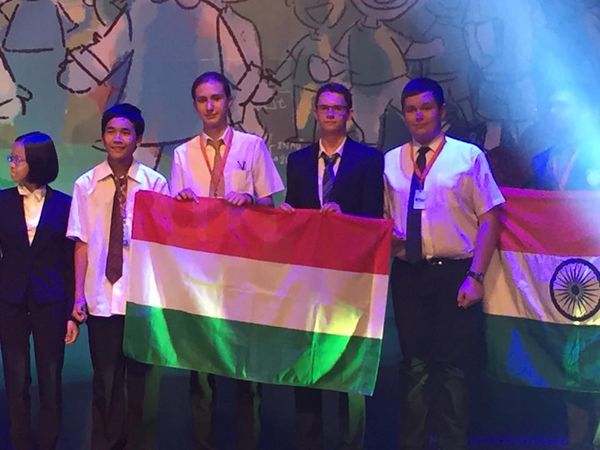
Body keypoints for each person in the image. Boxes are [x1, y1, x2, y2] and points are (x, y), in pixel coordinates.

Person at [383, 78, 504, 449]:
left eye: (426, 108)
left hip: (455, 273)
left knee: (452, 367)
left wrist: (476, 276)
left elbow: (490, 218)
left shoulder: (468, 157)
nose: (418, 116)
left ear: (441, 111)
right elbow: (384, 218)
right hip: (408, 273)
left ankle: (452, 442)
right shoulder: (390, 161)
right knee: (414, 365)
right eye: (411, 110)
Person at [170, 71, 284, 450]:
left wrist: (250, 200)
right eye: (203, 100)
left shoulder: (252, 146)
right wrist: (181, 203)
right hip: (201, 276)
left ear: (229, 101)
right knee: (201, 371)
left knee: (245, 370)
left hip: (243, 272)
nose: (210, 106)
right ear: (195, 105)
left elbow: (270, 205)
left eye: (216, 98)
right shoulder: (183, 153)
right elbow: (174, 218)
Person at [280, 82, 383, 450]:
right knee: (306, 363)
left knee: (345, 365)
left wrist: (346, 217)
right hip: (308, 280)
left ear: (349, 115)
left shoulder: (368, 159)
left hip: (349, 279)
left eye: (338, 108)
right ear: (315, 113)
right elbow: (295, 211)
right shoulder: (298, 161)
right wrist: (288, 215)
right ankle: (308, 441)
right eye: (324, 108)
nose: (330, 114)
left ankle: (350, 442)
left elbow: (375, 217)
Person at [68, 103, 170, 450]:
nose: (117, 138)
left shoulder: (155, 183)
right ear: (102, 136)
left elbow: (164, 245)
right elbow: (81, 243)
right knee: (106, 382)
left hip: (140, 298)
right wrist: (78, 296)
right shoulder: (86, 184)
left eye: (126, 132)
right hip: (101, 297)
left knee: (141, 385)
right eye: (111, 131)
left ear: (138, 139)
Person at [529, 87, 600, 450]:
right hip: (562, 277)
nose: (556, 113)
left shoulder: (595, 151)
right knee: (571, 362)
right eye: (552, 106)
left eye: (564, 106)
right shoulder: (541, 160)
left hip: (597, 270)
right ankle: (577, 441)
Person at [0, 131, 78, 450]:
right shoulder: (2, 201)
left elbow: (70, 262)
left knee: (50, 378)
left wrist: (73, 312)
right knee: (16, 378)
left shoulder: (65, 204)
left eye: (17, 159)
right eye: (12, 157)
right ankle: (20, 442)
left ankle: (48, 442)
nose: (12, 164)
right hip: (11, 301)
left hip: (51, 301)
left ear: (37, 161)